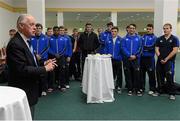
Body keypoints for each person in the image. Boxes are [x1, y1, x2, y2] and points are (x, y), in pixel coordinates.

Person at [6, 14, 57, 119]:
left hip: (29, 89)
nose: (35, 27)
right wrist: (45, 69)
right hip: (22, 90)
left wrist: (43, 64)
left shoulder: (26, 41)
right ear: (21, 26)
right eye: (31, 24)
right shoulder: (16, 44)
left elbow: (29, 62)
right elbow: (22, 69)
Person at [155, 23, 179, 100]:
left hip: (169, 62)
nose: (165, 30)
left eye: (167, 28)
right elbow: (156, 49)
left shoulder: (175, 39)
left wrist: (166, 59)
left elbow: (175, 50)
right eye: (164, 28)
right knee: (159, 76)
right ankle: (159, 91)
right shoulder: (159, 39)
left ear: (170, 29)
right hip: (160, 61)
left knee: (169, 77)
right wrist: (160, 58)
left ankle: (172, 93)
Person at [121, 24, 142, 96]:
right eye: (130, 28)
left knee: (137, 74)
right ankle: (130, 89)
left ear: (135, 29)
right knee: (128, 74)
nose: (131, 29)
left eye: (133, 28)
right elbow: (123, 48)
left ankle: (137, 89)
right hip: (127, 59)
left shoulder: (139, 38)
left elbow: (140, 48)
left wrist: (135, 56)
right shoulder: (124, 39)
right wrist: (129, 55)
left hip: (136, 59)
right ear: (128, 29)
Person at [31, 23, 49, 96]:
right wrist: (35, 55)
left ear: (41, 29)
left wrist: (40, 55)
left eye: (39, 28)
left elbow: (47, 48)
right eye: (36, 28)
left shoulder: (45, 37)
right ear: (34, 29)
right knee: (34, 74)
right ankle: (36, 90)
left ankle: (44, 90)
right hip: (34, 59)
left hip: (43, 59)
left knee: (43, 74)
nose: (38, 29)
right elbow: (30, 47)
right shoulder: (31, 37)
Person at [140, 24, 158, 96]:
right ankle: (142, 88)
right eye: (147, 29)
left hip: (150, 59)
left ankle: (152, 89)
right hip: (142, 58)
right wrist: (145, 48)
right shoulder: (143, 37)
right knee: (142, 74)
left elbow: (152, 47)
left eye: (150, 29)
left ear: (153, 29)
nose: (148, 30)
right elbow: (141, 46)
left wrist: (145, 48)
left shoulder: (155, 38)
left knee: (151, 74)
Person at [105, 26, 123, 94]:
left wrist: (119, 57)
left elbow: (122, 50)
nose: (113, 33)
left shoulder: (121, 40)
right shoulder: (108, 39)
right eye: (112, 31)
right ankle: (111, 86)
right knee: (110, 74)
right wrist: (107, 56)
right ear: (110, 32)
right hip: (110, 60)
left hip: (118, 60)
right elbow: (106, 49)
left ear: (117, 32)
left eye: (115, 31)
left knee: (119, 74)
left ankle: (119, 86)